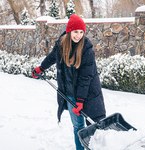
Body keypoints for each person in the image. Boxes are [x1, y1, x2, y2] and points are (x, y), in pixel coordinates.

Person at [32, 14, 106, 150]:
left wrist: (80, 100)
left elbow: (85, 77)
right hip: (70, 93)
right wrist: (41, 68)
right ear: (69, 31)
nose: (78, 35)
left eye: (81, 32)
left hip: (88, 94)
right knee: (78, 126)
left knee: (92, 126)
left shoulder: (87, 49)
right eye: (75, 32)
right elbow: (52, 57)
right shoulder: (61, 44)